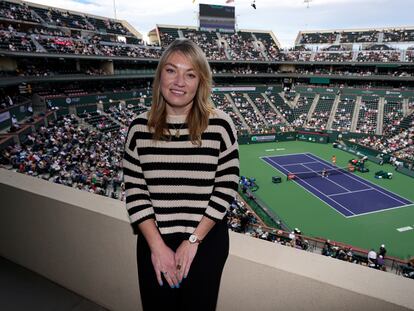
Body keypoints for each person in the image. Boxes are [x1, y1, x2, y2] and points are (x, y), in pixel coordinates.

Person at [123, 39, 240, 311]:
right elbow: (136, 193)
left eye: (190, 74)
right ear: (159, 75)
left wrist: (193, 241)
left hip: (205, 240)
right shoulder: (139, 128)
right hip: (155, 240)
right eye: (171, 70)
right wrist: (158, 247)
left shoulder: (221, 125)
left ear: (201, 81)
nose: (179, 82)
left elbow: (226, 188)